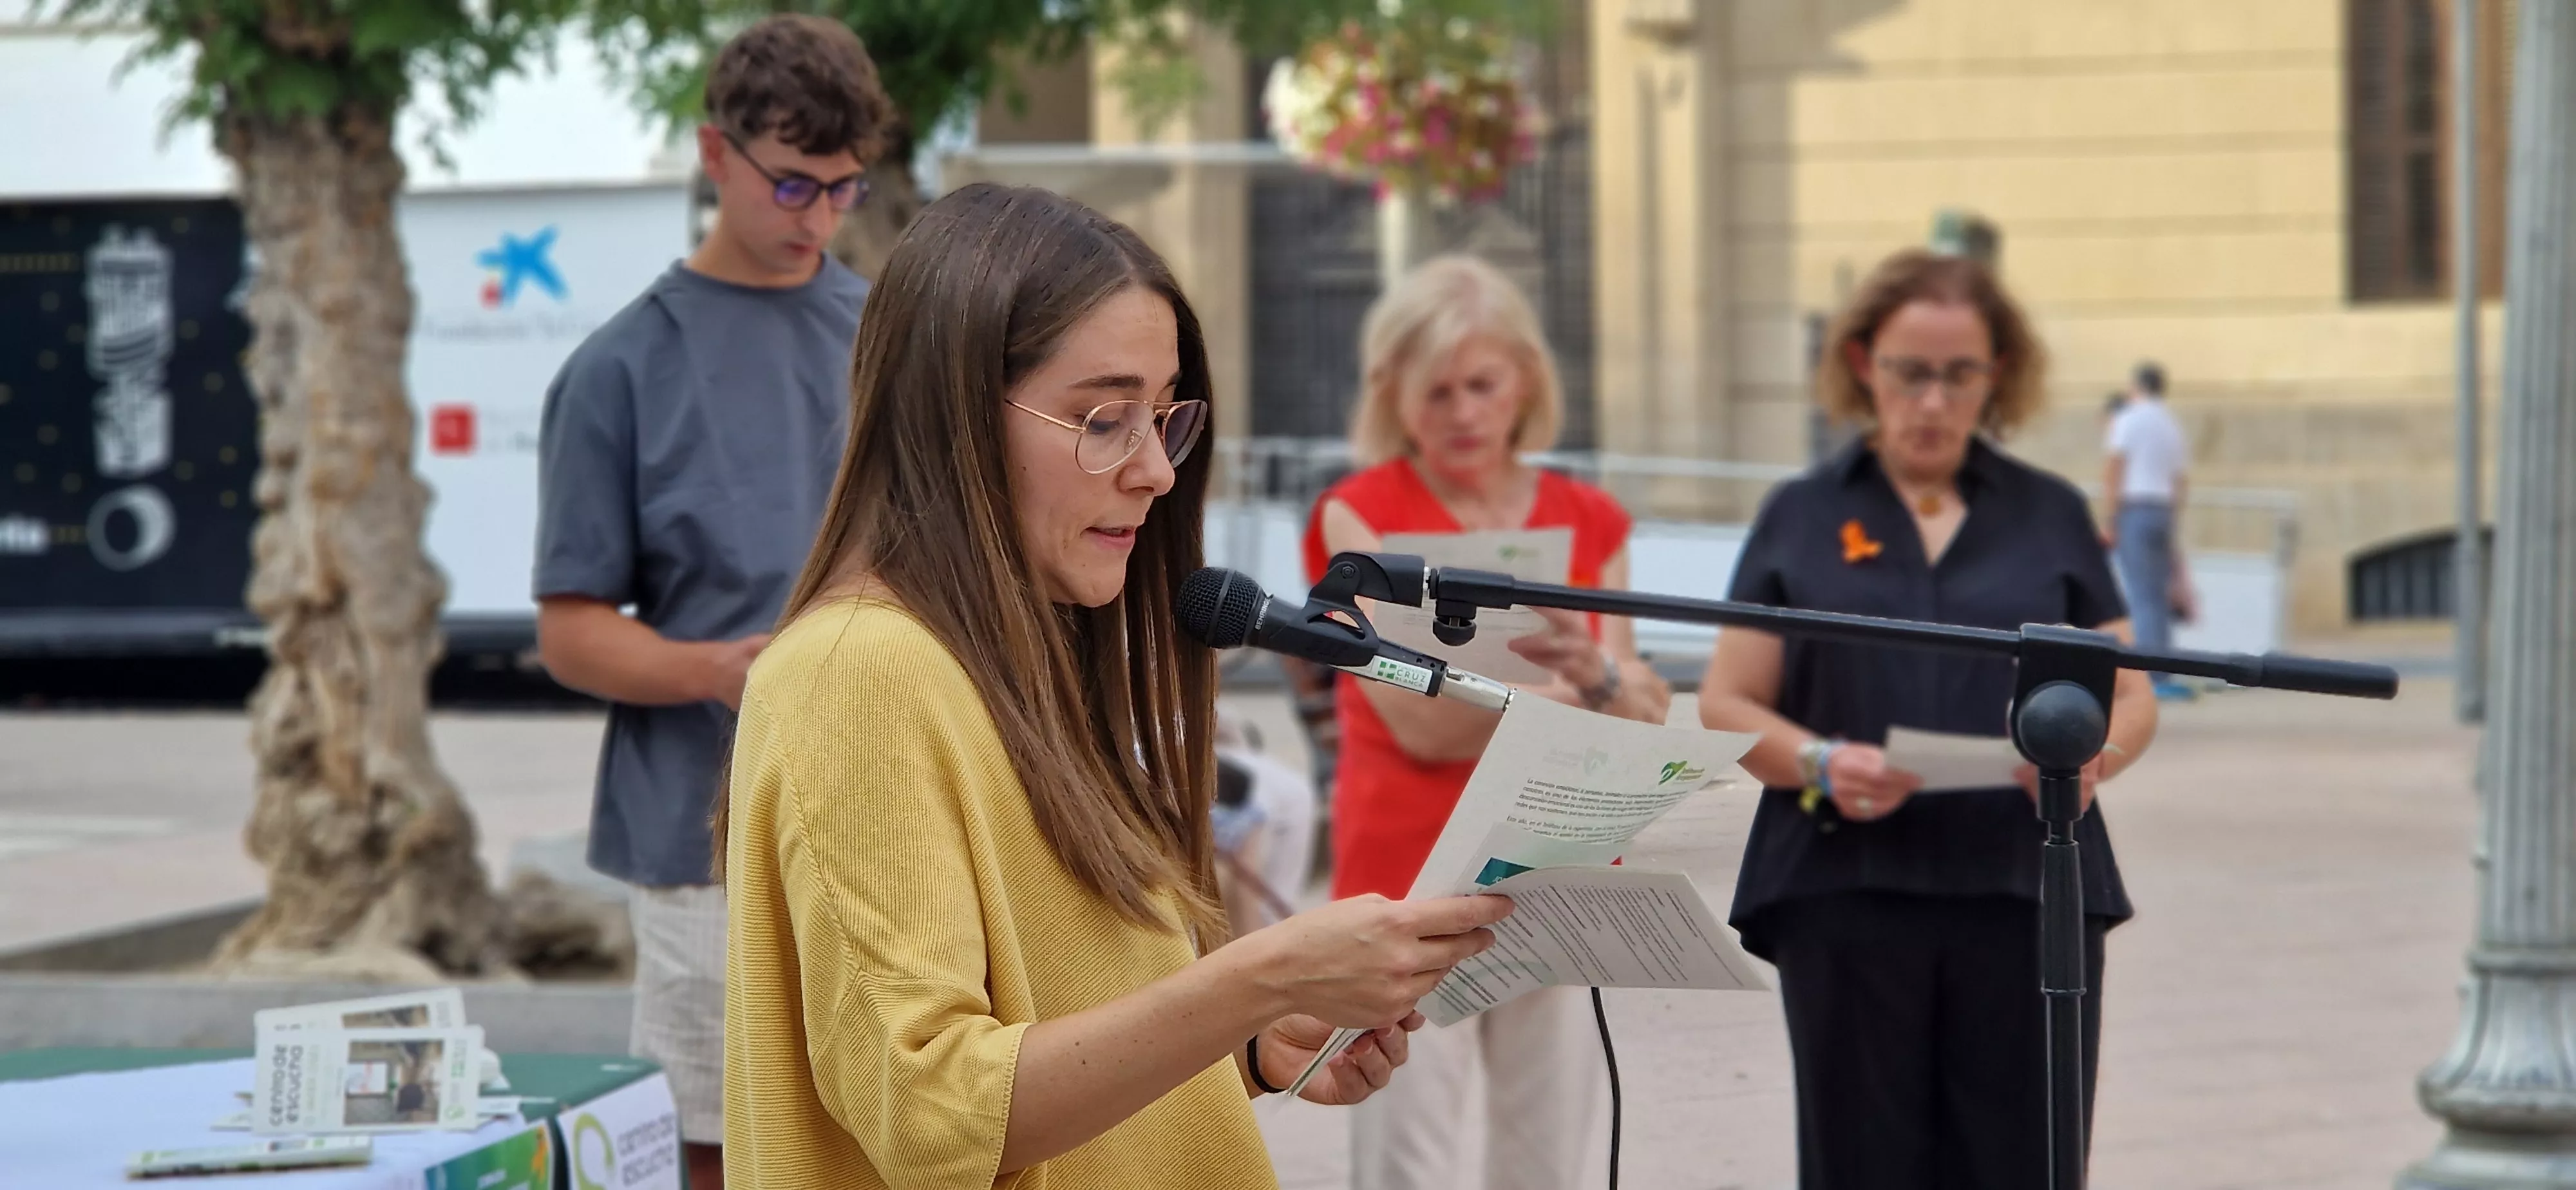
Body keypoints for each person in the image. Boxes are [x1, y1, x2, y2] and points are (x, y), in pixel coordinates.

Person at [718, 183, 1516, 1189]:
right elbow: (928, 1111)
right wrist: (1255, 977)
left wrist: (1252, 1043)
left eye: (1164, 416)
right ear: (955, 418)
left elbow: (1065, 1012)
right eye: (1104, 418)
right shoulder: (858, 674)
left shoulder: (1033, 645)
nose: (1156, 471)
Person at [1698, 249, 2161, 1190]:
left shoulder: (2050, 513)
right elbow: (1727, 702)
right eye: (1912, 372)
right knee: (1860, 1164)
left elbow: (2135, 687)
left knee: (2026, 1162)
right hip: (1846, 889)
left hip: (2026, 888)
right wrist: (1820, 760)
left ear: (1998, 376)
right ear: (1865, 364)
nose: (1935, 401)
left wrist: (2091, 756)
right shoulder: (1800, 513)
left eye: (1961, 375)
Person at [529, 15, 892, 1187]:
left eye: (843, 188)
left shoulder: (891, 339)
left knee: (901, 1122)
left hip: (889, 804)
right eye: (792, 181)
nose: (817, 216)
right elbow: (571, 628)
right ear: (713, 154)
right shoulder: (619, 368)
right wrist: (724, 671)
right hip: (701, 828)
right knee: (715, 1141)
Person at [1302, 254, 1673, 1190]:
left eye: (1482, 384)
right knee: (1406, 1164)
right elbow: (1414, 719)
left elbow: (1640, 715)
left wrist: (1601, 688)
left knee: (1551, 1162)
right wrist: (1588, 694)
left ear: (1525, 383)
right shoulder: (1359, 513)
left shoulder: (1592, 518)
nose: (1463, 413)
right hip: (1406, 880)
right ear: (1394, 394)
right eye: (1436, 392)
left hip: (1553, 865)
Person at [2105, 360, 2198, 700]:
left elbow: (2115, 466)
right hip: (2163, 510)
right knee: (2157, 596)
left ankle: (2147, 676)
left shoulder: (2129, 418)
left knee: (2141, 595)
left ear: (2136, 385)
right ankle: (2163, 670)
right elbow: (2180, 479)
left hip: (2136, 507)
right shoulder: (2171, 424)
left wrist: (2110, 517)